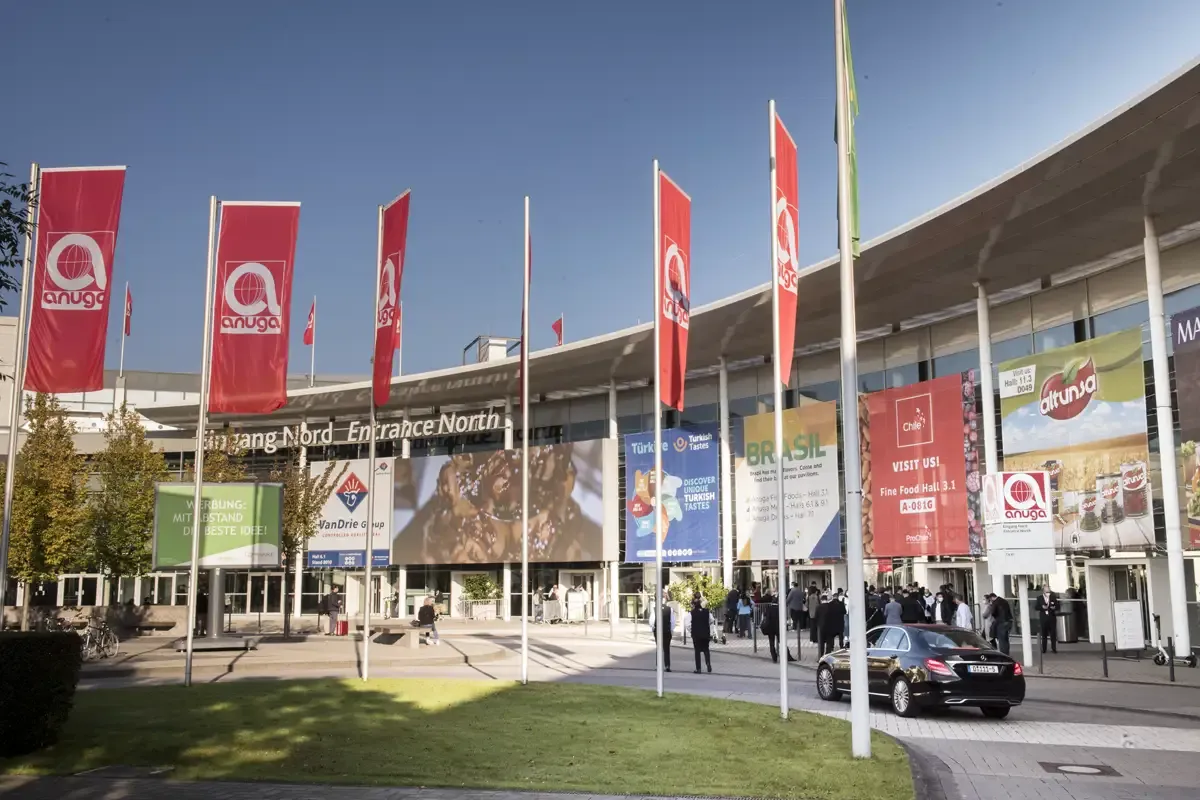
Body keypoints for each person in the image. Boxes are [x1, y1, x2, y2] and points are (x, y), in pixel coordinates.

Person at [650, 590, 673, 672]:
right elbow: (672, 621)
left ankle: (658, 666)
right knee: (667, 649)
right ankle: (667, 666)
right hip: (667, 631)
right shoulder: (670, 609)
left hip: (658, 631)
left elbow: (652, 621)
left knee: (659, 649)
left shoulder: (654, 609)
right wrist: (671, 630)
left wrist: (653, 629)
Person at [690, 594, 713, 673]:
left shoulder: (692, 613)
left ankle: (698, 668)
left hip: (696, 634)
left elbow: (688, 624)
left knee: (697, 651)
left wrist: (692, 631)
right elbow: (711, 620)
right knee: (706, 649)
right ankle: (708, 663)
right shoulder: (706, 612)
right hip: (705, 633)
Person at [1035, 584, 1060, 654]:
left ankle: (1054, 648)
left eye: (1048, 589)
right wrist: (1042, 608)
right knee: (1044, 634)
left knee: (1053, 634)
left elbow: (1058, 606)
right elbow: (1036, 607)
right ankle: (1044, 649)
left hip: (1052, 618)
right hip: (1043, 618)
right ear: (1043, 590)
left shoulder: (1053, 597)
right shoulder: (1039, 598)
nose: (1048, 591)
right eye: (1046, 589)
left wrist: (1054, 608)